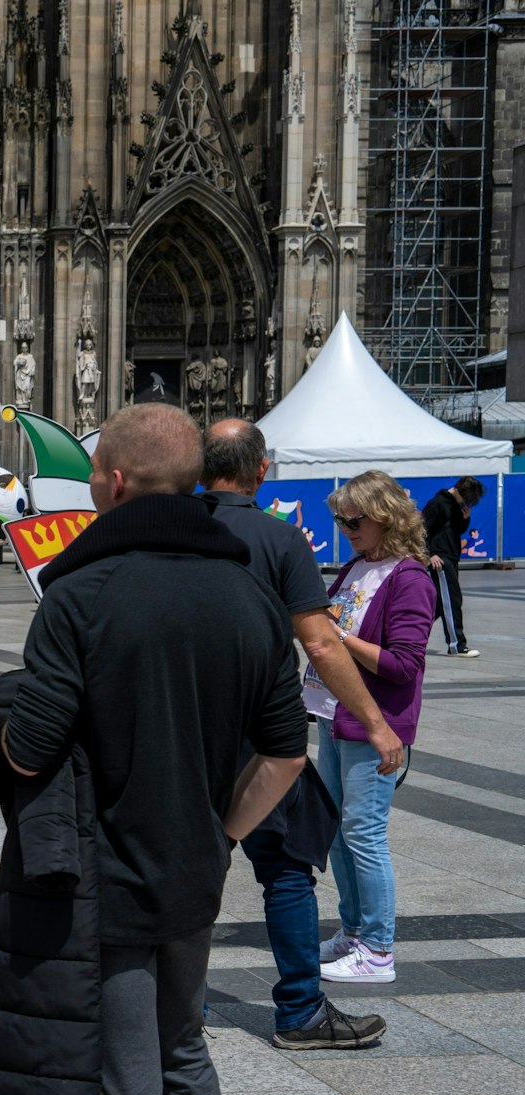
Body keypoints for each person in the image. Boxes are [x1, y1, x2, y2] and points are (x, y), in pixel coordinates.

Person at [2, 403, 308, 1095]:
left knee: (125, 1072)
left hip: (109, 875)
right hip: (193, 872)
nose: (91, 483)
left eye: (96, 471)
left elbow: (28, 748)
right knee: (182, 1053)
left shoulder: (81, 594)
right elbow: (287, 754)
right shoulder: (248, 594)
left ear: (119, 484)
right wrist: (219, 835)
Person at [202, 420, 400, 1049]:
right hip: (262, 730)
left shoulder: (170, 528)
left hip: (181, 725)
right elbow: (318, 640)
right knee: (285, 871)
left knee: (182, 866)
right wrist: (375, 722)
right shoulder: (282, 539)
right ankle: (299, 1012)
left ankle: (177, 1007)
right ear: (263, 470)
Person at [311, 471, 436, 986]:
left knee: (363, 833)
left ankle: (379, 948)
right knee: (338, 833)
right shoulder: (358, 566)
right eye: (339, 518)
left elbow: (405, 663)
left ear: (384, 515)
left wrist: (336, 637)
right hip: (333, 715)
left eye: (353, 519)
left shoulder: (409, 578)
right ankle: (354, 931)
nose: (344, 528)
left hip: (375, 722)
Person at [421, 476, 482, 657]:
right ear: (460, 492)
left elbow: (455, 530)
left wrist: (465, 519)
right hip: (440, 560)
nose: (468, 502)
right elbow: (421, 531)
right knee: (452, 601)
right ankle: (457, 645)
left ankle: (406, 637)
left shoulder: (456, 506)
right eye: (468, 498)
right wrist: (429, 554)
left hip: (451, 557)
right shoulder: (437, 504)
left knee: (439, 606)